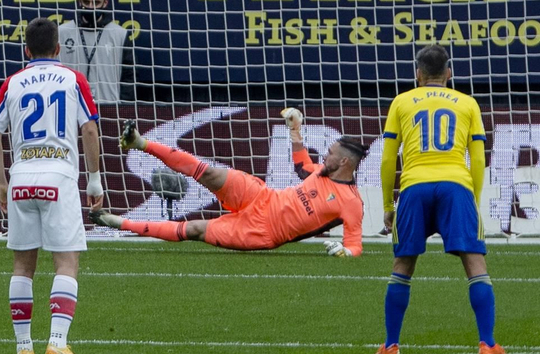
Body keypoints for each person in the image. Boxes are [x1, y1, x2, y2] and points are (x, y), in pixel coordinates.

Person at [0, 17, 104, 354]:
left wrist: (1, 182)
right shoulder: (73, 79)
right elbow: (90, 130)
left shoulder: (13, 82)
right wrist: (94, 180)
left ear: (26, 50)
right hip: (58, 176)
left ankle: (24, 348)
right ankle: (57, 342)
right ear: (58, 48)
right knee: (66, 262)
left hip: (22, 177)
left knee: (23, 265)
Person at [376, 44, 506, 354]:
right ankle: (487, 345)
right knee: (475, 265)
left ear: (417, 74)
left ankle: (391, 345)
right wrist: (473, 200)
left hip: (415, 186)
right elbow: (477, 158)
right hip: (455, 186)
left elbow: (388, 158)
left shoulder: (402, 101)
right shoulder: (467, 103)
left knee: (402, 266)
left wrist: (387, 205)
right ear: (449, 73)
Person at [94, 109, 364, 256]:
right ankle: (140, 142)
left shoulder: (351, 202)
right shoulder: (321, 172)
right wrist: (295, 130)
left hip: (262, 231)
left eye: (330, 155)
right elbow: (303, 164)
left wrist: (346, 252)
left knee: (195, 229)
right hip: (261, 196)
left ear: (344, 163)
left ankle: (117, 222)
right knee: (209, 172)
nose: (325, 155)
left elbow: (355, 244)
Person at [57, 0, 130, 106]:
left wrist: (125, 108)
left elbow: (129, 76)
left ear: (105, 2)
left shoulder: (119, 34)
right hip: (70, 106)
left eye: (96, 2)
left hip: (109, 106)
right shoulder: (62, 32)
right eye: (86, 2)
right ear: (79, 1)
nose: (91, 7)